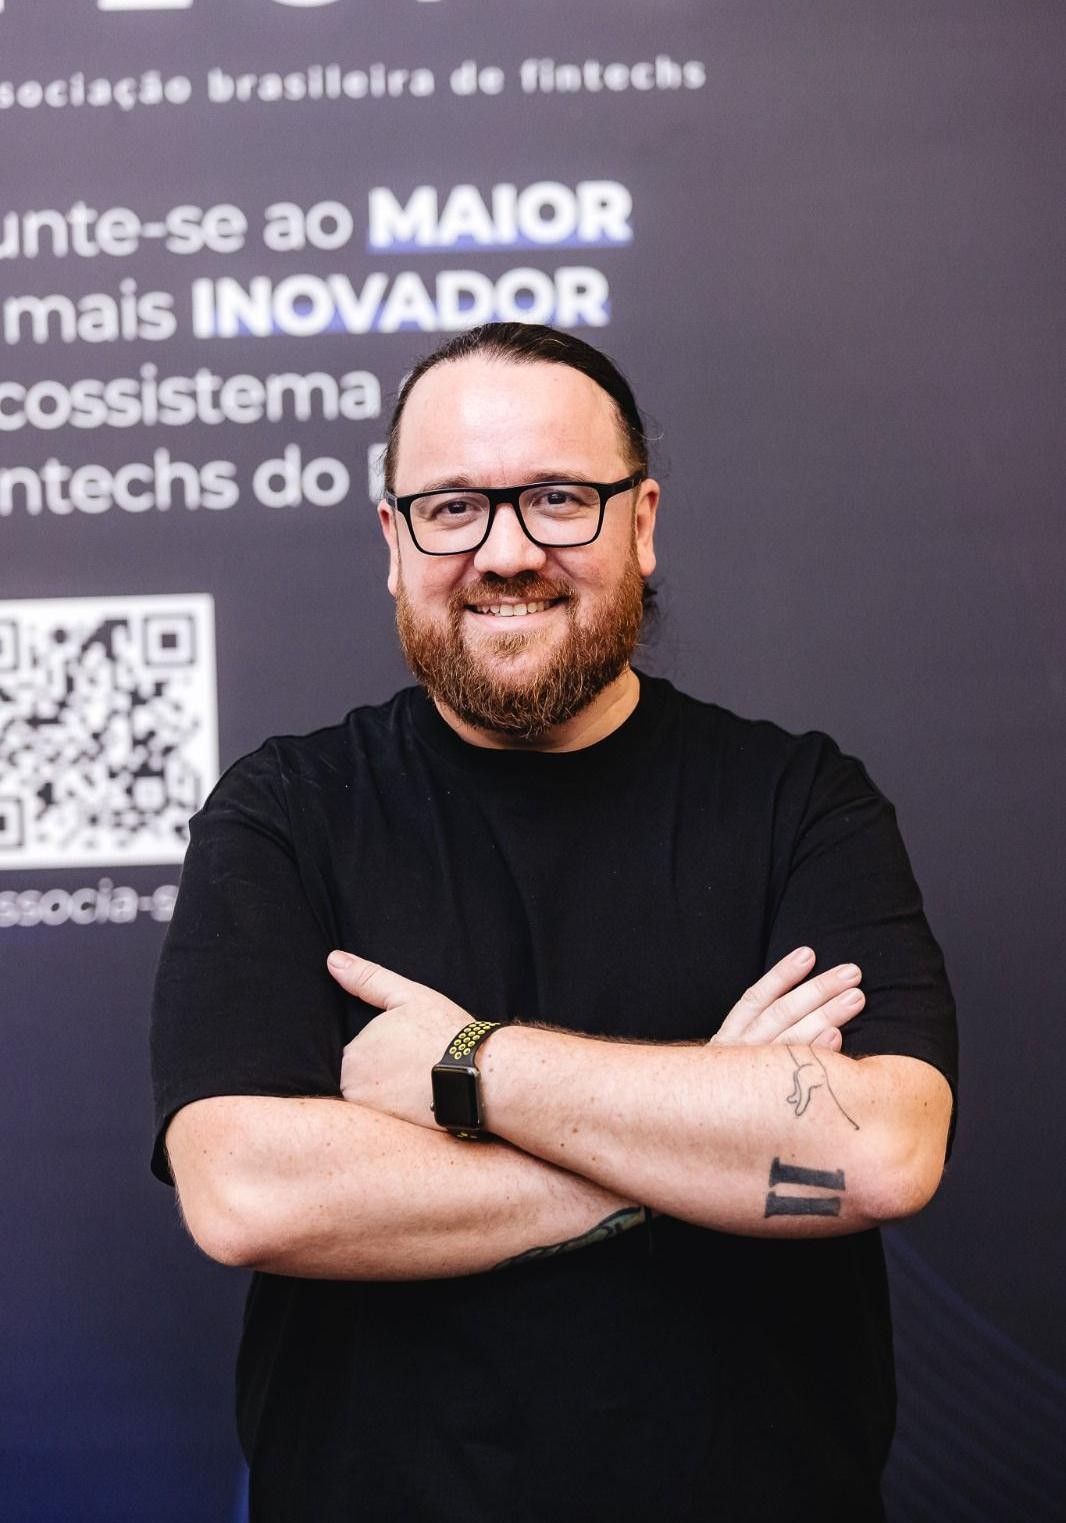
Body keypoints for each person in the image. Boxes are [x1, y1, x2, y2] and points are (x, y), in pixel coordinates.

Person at [151, 322, 957, 1523]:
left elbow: (880, 1150)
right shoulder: (285, 812)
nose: (507, 551)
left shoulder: (799, 800)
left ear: (641, 522)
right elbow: (247, 1195)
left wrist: (469, 1066)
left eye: (558, 498)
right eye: (452, 508)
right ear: (393, 541)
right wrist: (699, 1142)